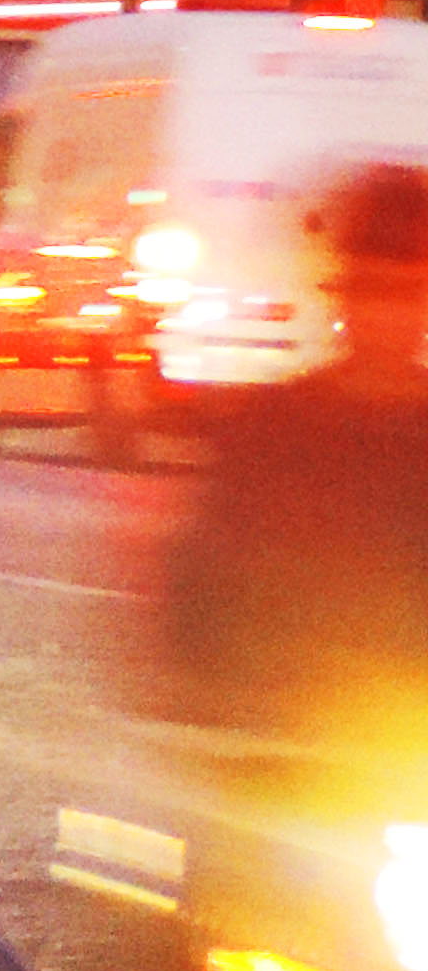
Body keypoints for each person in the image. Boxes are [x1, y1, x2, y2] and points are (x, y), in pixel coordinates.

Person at [151, 158, 428, 751]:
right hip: (289, 743)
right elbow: (206, 587)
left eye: (405, 293)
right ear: (342, 290)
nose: (386, 316)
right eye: (372, 289)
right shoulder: (274, 428)